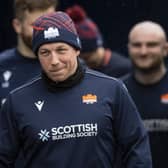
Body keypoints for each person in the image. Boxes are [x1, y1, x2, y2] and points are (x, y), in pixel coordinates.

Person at [0, 11, 152, 168]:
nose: (54, 61)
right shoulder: (18, 100)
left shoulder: (112, 89)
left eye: (61, 50)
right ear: (37, 55)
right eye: (45, 52)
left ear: (77, 49)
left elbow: (136, 147)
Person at [122, 21, 168, 168]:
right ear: (128, 49)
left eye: (151, 45)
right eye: (137, 45)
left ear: (165, 49)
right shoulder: (117, 91)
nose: (143, 51)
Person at [0, 0, 58, 106]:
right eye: (36, 25)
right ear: (17, 25)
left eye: (51, 23)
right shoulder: (2, 66)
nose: (45, 31)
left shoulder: (69, 65)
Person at [66, 5, 132, 78]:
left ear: (98, 47)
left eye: (87, 57)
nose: (83, 61)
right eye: (80, 57)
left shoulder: (124, 68)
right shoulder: (82, 70)